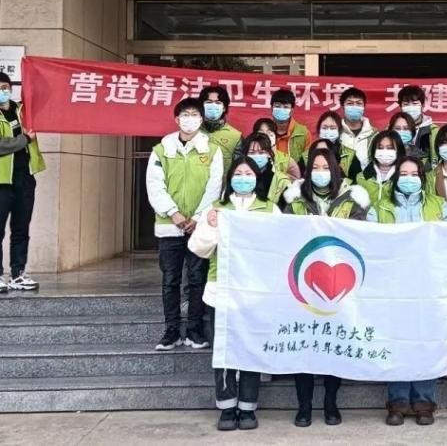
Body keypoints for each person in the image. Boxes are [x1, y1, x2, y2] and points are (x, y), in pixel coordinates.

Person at [283, 147, 371, 427]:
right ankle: (304, 406)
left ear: (335, 170)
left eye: (325, 168)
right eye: (315, 168)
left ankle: (331, 402)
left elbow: (363, 236)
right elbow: (281, 236)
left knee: (335, 343)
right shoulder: (295, 201)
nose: (320, 173)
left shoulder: (352, 201)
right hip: (303, 282)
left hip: (339, 283)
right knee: (304, 345)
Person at [367, 157, 447, 427]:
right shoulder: (380, 207)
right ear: (396, 178)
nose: (409, 178)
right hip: (393, 287)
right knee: (396, 342)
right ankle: (397, 402)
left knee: (425, 342)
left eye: (414, 173)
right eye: (403, 174)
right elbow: (369, 242)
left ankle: (423, 403)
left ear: (422, 177)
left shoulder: (439, 206)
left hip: (428, 286)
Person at [192, 156, 279, 432]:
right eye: (238, 174)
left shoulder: (270, 209)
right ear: (230, 179)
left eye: (248, 173)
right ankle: (227, 406)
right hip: (221, 290)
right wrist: (213, 226)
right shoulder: (217, 209)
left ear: (257, 178)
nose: (243, 178)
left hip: (254, 292)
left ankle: (248, 407)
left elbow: (279, 249)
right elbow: (199, 249)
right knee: (224, 350)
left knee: (250, 349)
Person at [145, 97, 224, 351]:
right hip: (169, 226)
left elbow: (214, 187)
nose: (190, 119)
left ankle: (194, 331)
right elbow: (155, 186)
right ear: (177, 119)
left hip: (200, 228)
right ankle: (171, 331)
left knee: (197, 278)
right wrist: (174, 214)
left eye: (194, 115)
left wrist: (198, 217)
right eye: (185, 115)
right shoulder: (161, 149)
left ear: (201, 120)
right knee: (170, 280)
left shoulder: (212, 150)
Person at [0, 71, 46, 294]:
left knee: (21, 229)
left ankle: (18, 274)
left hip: (24, 178)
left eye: (4, 87)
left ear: (11, 88)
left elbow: (47, 100)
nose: (1, 92)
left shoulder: (24, 111)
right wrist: (23, 139)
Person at [239, 131, 292, 206]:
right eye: (252, 153)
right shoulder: (237, 178)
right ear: (245, 155)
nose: (257, 156)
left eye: (261, 152)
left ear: (269, 154)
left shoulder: (281, 181)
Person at [356, 130, 405, 212]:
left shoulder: (405, 177)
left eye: (390, 148)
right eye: (380, 148)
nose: (384, 151)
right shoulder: (361, 177)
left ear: (399, 150)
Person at [199, 85, 242, 174]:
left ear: (224, 108)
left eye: (218, 103)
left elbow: (239, 168)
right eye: (209, 102)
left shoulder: (235, 136)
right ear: (201, 106)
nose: (213, 105)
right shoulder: (191, 132)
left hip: (222, 182)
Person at [315, 111, 361, 181]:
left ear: (339, 131)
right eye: (324, 128)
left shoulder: (350, 155)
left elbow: (357, 181)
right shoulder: (306, 156)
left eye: (332, 128)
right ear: (319, 130)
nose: (328, 131)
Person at [270, 88, 311, 165]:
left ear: (292, 111)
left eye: (286, 107)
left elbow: (308, 162)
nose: (281, 109)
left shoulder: (303, 133)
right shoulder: (264, 131)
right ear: (271, 108)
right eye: (277, 106)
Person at [397, 85, 437, 160]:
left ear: (423, 105)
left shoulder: (433, 131)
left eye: (415, 103)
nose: (411, 107)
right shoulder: (392, 129)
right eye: (406, 104)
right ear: (400, 106)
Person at [338, 86, 375, 168]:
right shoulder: (336, 133)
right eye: (350, 103)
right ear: (343, 107)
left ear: (364, 107)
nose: (354, 106)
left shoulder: (374, 134)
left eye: (358, 103)